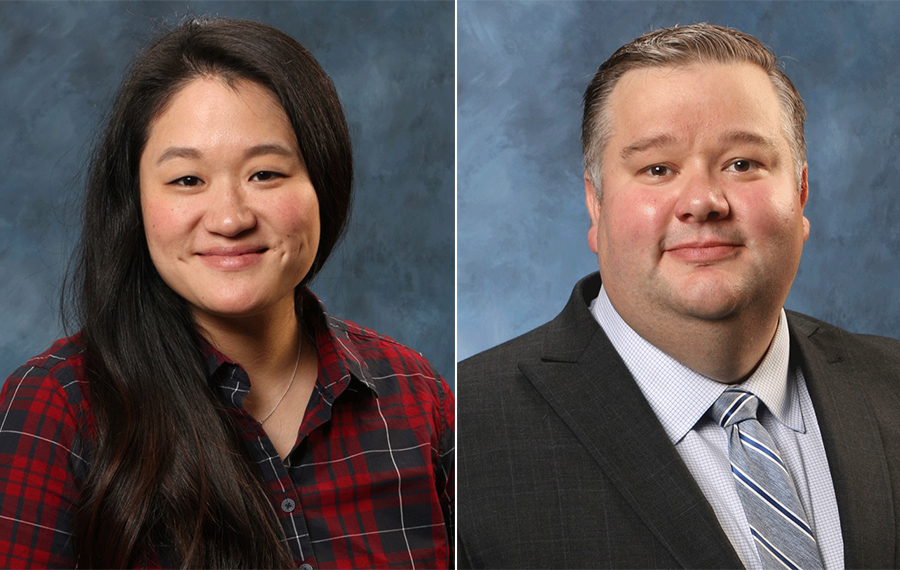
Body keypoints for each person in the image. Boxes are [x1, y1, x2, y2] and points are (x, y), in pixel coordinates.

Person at [0, 18, 453, 569]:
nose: (231, 218)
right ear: (135, 202)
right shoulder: (56, 407)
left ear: (323, 184)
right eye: (187, 180)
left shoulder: (414, 396)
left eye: (265, 173)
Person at [458, 23, 900, 569]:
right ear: (596, 207)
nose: (702, 202)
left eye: (743, 163)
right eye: (657, 168)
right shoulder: (461, 433)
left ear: (801, 192)